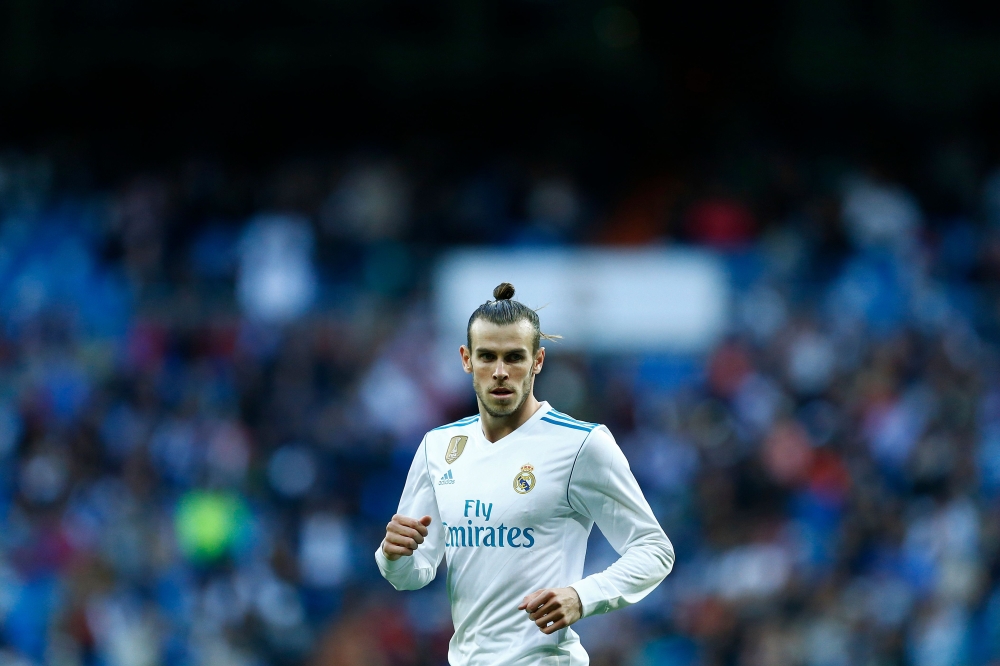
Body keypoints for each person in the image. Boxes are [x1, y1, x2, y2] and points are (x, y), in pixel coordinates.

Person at [375, 282, 674, 665]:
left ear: (538, 361)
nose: (500, 372)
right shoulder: (439, 446)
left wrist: (582, 597)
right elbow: (412, 574)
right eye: (487, 357)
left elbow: (654, 550)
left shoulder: (582, 445)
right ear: (466, 359)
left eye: (514, 357)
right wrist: (392, 555)